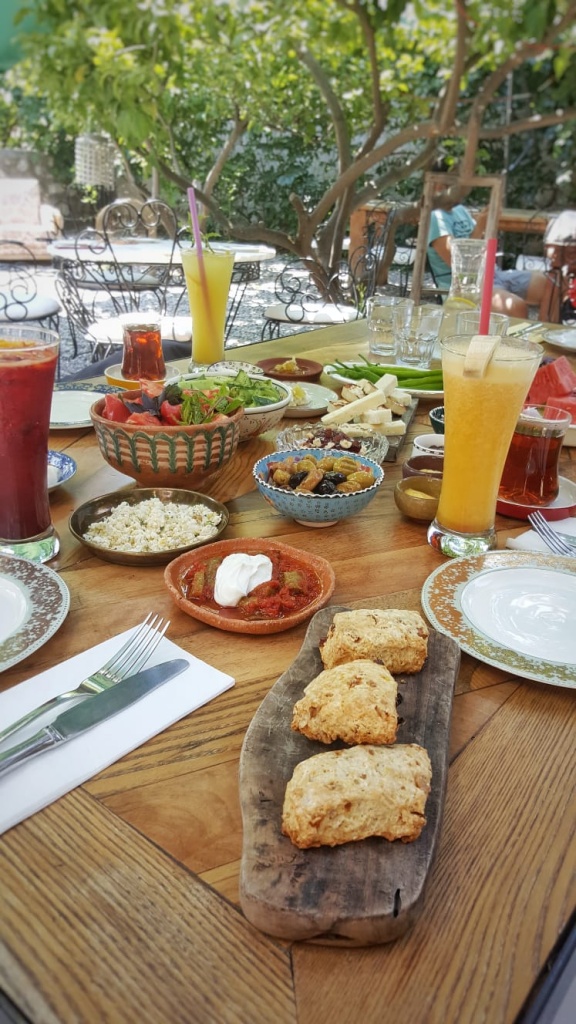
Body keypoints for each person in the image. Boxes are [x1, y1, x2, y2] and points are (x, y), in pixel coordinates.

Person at [427, 189, 558, 321]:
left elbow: (483, 245)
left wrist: (489, 222)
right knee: (516, 306)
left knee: (551, 283)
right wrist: (480, 226)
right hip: (466, 285)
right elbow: (459, 264)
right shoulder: (435, 217)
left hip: (493, 273)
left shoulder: (459, 210)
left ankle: (545, 330)